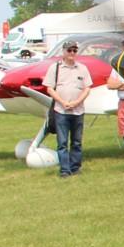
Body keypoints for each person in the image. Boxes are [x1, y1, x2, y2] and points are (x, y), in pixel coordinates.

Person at [42, 40, 90, 177]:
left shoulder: (82, 68)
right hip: (61, 110)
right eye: (69, 50)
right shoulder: (55, 68)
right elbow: (49, 88)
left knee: (77, 141)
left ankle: (75, 167)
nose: (72, 53)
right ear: (63, 51)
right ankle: (64, 170)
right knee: (62, 143)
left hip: (78, 110)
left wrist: (77, 102)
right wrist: (62, 102)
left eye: (74, 50)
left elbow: (87, 88)